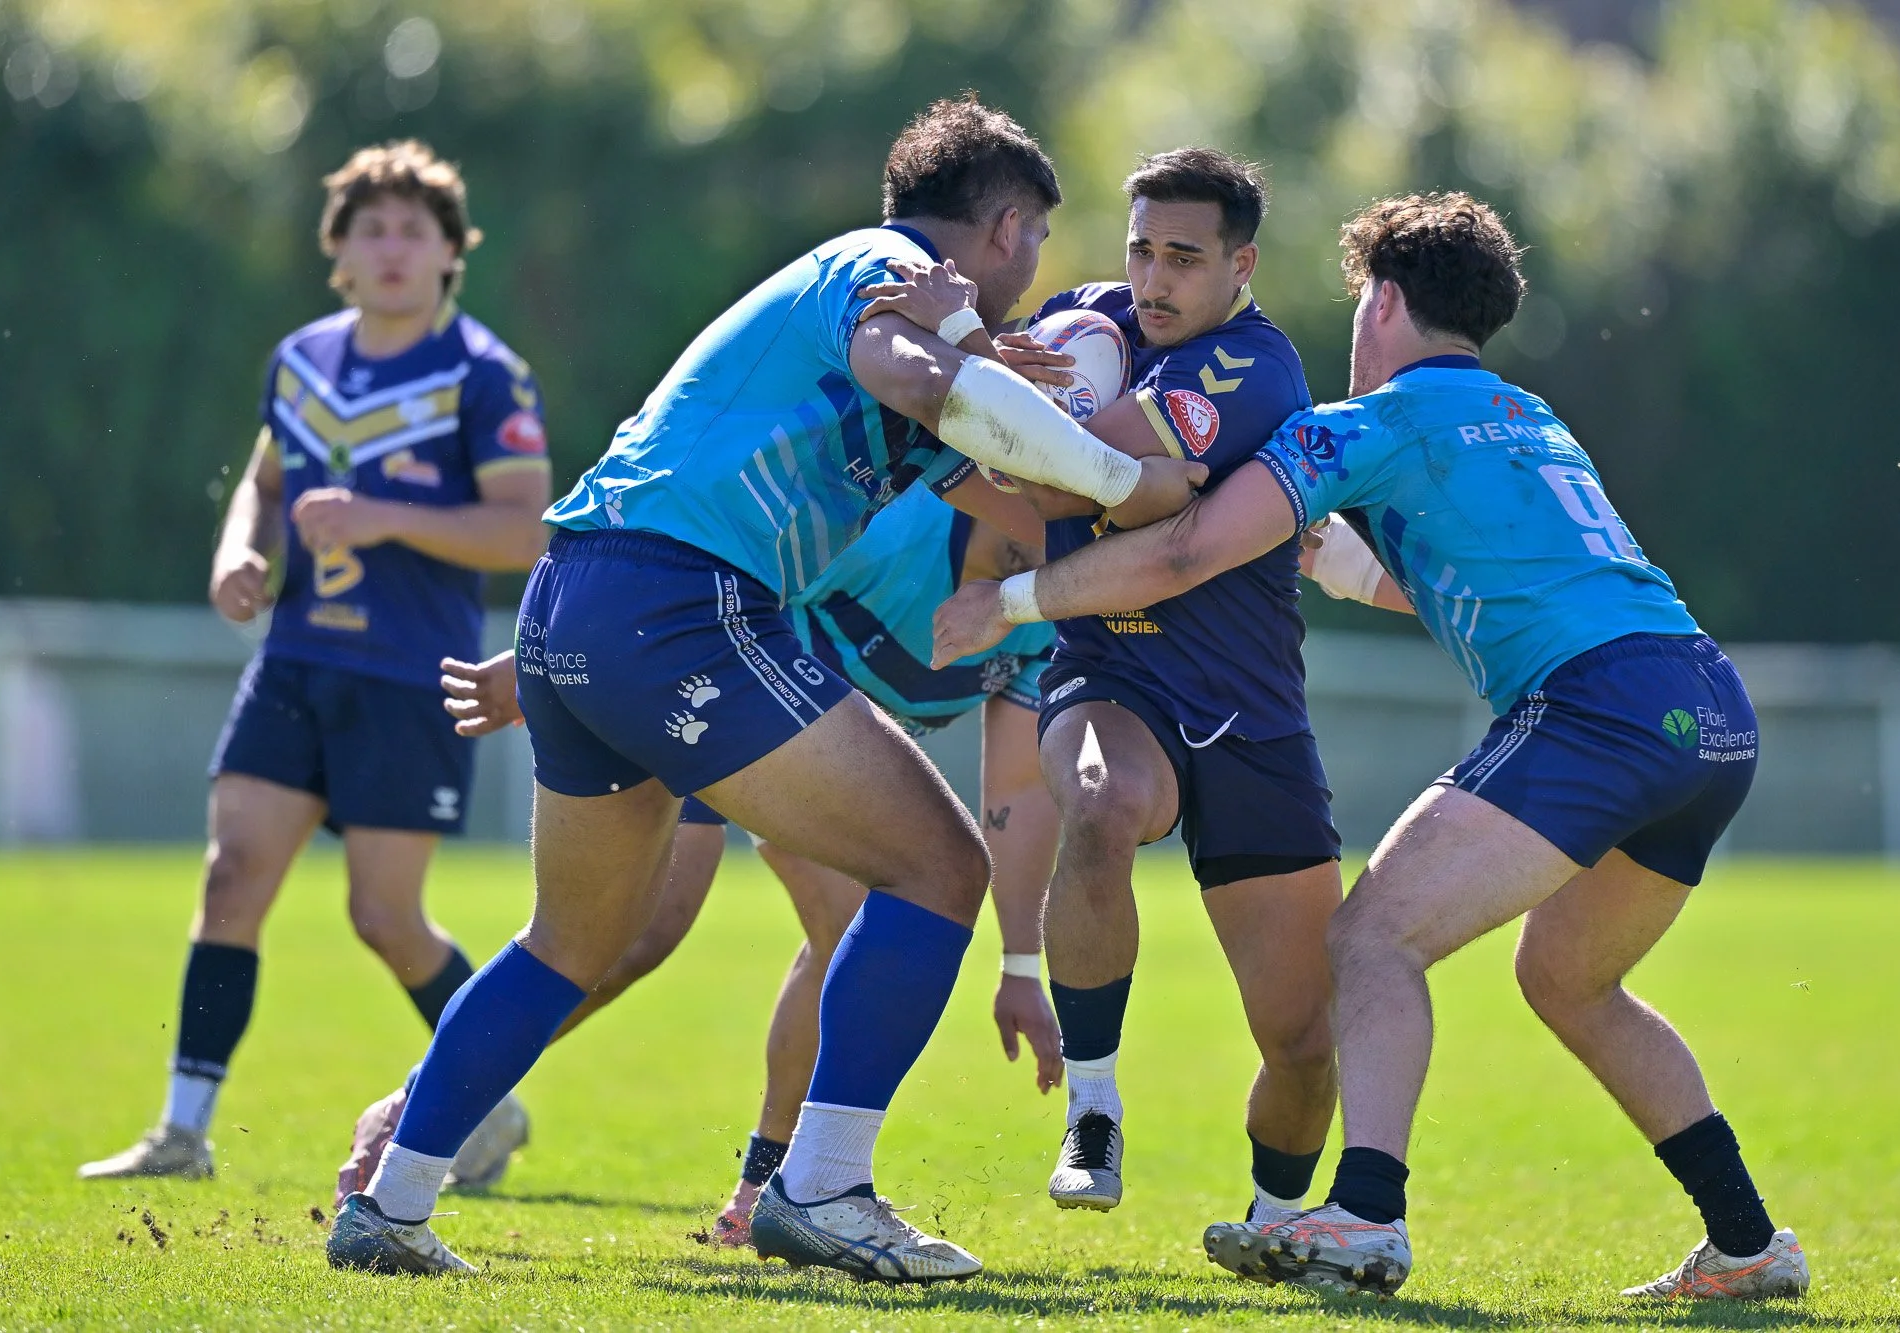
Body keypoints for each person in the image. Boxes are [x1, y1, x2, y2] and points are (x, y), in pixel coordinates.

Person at [325, 94, 1205, 1279]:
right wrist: (1118, 470)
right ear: (1005, 227)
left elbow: (1030, 497)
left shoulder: (911, 314)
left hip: (580, 595)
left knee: (570, 941)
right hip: (681, 606)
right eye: (1037, 239)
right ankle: (822, 1185)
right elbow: (908, 371)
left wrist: (1142, 475)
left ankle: (389, 1204)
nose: (1036, 265)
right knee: (937, 868)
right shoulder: (889, 269)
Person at [931, 192, 1807, 1303]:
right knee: (1569, 979)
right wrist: (1320, 555)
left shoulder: (1363, 424)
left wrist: (1010, 599)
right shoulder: (1526, 414)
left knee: (1370, 938)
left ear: (1382, 302)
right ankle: (1746, 1241)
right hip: (1706, 705)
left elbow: (1183, 551)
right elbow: (1453, 576)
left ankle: (1366, 1215)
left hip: (1600, 708)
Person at [330, 485, 1067, 1252]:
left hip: (816, 765)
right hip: (711, 692)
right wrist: (552, 657)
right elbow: (722, 576)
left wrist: (1020, 964)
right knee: (627, 936)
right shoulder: (899, 529)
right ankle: (418, 1110)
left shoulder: (1043, 610)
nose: (1072, 521)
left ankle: (770, 1187)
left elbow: (1017, 792)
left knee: (847, 928)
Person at [871, 148, 1354, 1227]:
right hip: (1110, 669)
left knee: (1302, 1040)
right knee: (1097, 800)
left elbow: (1071, 467)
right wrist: (973, 362)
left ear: (1241, 265)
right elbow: (1031, 457)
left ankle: (1276, 1219)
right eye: (1141, 249)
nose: (1153, 279)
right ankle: (1092, 1108)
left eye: (1184, 257)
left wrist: (972, 361)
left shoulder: (1253, 368)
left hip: (1249, 712)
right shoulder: (1084, 318)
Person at [79, 141, 552, 1184]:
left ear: (451, 254)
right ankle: (182, 1131)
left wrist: (384, 516)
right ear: (337, 254)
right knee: (231, 875)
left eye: (413, 231)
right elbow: (263, 483)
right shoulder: (300, 361)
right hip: (294, 661)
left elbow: (525, 531)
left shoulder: (482, 373)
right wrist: (236, 553)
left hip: (409, 675)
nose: (391, 249)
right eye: (369, 230)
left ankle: (490, 1101)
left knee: (384, 917)